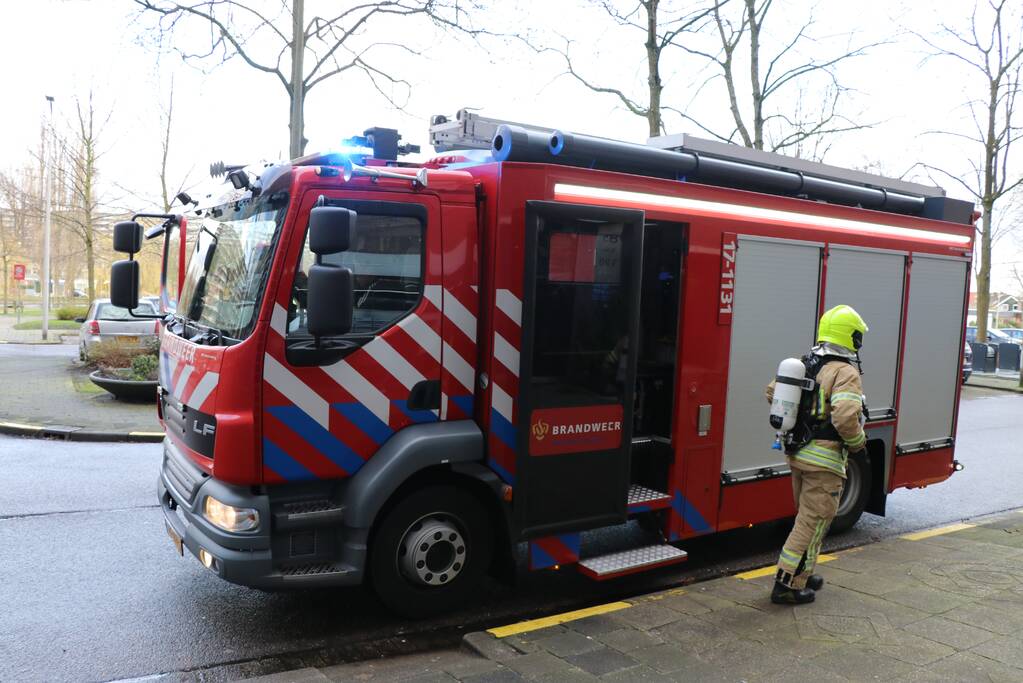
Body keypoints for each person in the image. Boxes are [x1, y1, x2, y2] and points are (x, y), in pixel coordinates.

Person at [765, 305, 869, 605]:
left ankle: (803, 574)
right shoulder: (845, 372)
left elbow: (772, 393)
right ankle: (786, 585)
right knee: (812, 522)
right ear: (850, 336)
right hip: (825, 461)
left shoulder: (805, 362)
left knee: (808, 517)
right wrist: (859, 442)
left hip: (798, 453)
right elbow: (846, 417)